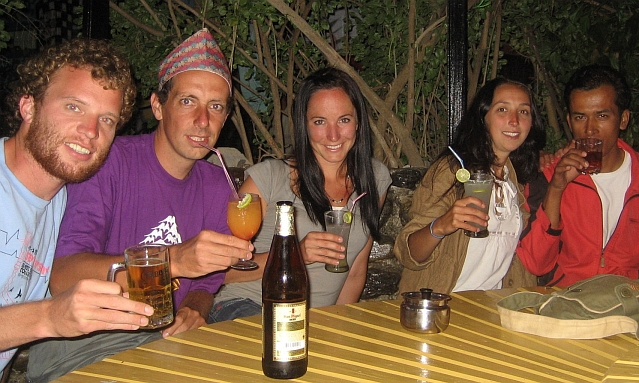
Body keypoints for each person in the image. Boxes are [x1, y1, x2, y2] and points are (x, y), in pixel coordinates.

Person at [26, 29, 252, 382]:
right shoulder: (109, 162)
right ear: (159, 106)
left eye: (216, 107)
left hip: (164, 344)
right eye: (188, 101)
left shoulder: (216, 185)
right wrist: (173, 260)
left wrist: (194, 309)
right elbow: (63, 275)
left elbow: (207, 284)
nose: (203, 121)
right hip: (83, 342)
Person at [0, 39, 153, 377]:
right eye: (73, 107)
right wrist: (49, 317)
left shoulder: (58, 200)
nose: (90, 131)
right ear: (29, 107)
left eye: (107, 120)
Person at [210, 67, 391, 321]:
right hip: (248, 306)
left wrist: (337, 325)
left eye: (344, 120)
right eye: (319, 122)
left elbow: (355, 270)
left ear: (358, 122)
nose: (333, 135)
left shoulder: (374, 179)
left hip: (312, 321)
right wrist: (294, 255)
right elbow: (220, 270)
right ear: (304, 126)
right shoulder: (268, 178)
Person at [516, 65, 639, 286]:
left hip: (631, 303)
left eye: (602, 115)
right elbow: (535, 264)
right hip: (567, 302)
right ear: (570, 122)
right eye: (580, 117)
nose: (590, 129)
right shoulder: (550, 175)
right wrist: (556, 189)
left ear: (623, 119)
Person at [394, 77, 544, 294]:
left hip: (492, 306)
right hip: (442, 305)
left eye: (524, 111)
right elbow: (409, 253)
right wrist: (441, 226)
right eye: (502, 109)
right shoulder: (452, 170)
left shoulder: (518, 178)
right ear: (484, 117)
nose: (514, 120)